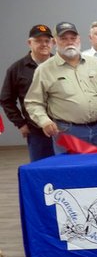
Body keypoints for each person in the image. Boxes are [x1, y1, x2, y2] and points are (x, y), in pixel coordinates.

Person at [24, 21, 97, 154]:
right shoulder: (45, 69)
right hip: (67, 132)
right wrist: (44, 121)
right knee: (72, 172)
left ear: (79, 39)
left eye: (73, 38)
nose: (69, 42)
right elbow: (33, 102)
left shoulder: (95, 64)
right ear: (55, 41)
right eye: (64, 39)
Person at [0, 24, 55, 161]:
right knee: (41, 170)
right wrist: (20, 123)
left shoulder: (60, 65)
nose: (43, 44)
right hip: (37, 131)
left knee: (66, 171)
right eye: (38, 41)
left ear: (53, 43)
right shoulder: (17, 69)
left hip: (64, 128)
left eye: (47, 41)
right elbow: (6, 100)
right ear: (29, 43)